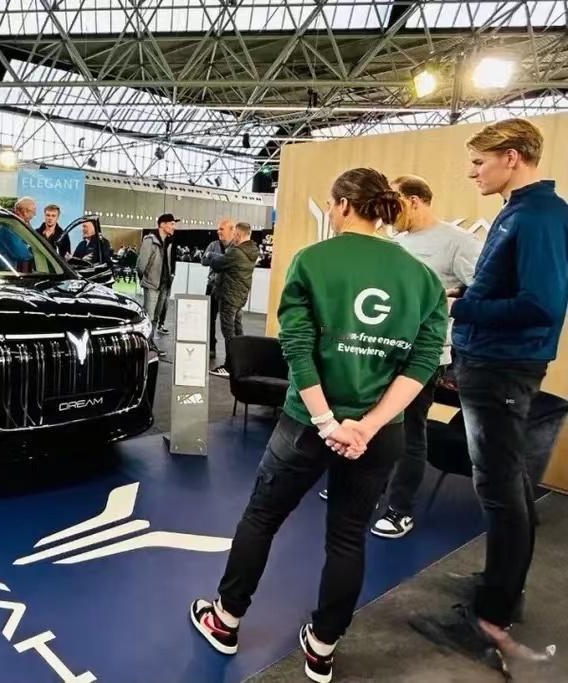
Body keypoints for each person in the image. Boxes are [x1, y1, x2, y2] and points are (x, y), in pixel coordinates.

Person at [190, 168, 446, 683]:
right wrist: (369, 426)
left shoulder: (313, 260)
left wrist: (328, 421)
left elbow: (298, 348)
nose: (330, 211)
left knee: (261, 518)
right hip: (378, 436)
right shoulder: (423, 279)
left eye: (332, 203)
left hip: (305, 425)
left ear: (345, 205)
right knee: (348, 538)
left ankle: (226, 620)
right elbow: (422, 365)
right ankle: (323, 648)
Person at [413, 119, 568, 664]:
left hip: (501, 367)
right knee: (509, 485)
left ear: (512, 156)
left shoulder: (537, 215)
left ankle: (491, 618)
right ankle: (500, 589)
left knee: (502, 491)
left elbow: (542, 304)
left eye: (479, 162)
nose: (472, 172)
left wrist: (464, 305)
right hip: (495, 363)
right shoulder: (525, 210)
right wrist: (472, 293)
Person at [369, 175, 481, 539]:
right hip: (384, 348)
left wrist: (448, 298)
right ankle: (369, 491)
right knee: (375, 423)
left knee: (410, 430)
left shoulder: (458, 242)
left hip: (424, 353)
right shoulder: (396, 241)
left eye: (395, 205)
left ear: (415, 200)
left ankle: (399, 510)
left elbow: (484, 294)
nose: (389, 215)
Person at [209, 222, 259, 378]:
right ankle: (242, 363)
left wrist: (210, 255)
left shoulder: (236, 252)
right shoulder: (252, 251)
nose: (234, 237)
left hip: (229, 297)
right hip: (240, 296)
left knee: (229, 333)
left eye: (236, 234)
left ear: (238, 234)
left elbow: (217, 264)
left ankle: (229, 366)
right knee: (238, 331)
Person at [136, 214, 176, 354]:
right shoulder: (150, 240)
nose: (174, 227)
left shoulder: (168, 242)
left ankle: (150, 343)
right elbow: (141, 265)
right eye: (171, 224)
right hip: (152, 285)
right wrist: (146, 280)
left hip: (164, 285)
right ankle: (144, 345)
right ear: (163, 225)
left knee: (156, 318)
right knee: (149, 317)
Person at [203, 219, 234, 359]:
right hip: (212, 287)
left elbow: (232, 262)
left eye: (221, 229)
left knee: (229, 323)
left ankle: (232, 355)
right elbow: (203, 261)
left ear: (231, 230)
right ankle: (211, 347)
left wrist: (213, 257)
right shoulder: (213, 244)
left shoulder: (235, 247)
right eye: (218, 229)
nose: (218, 231)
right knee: (209, 319)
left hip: (228, 289)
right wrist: (222, 259)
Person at [0, 196, 35, 271]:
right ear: (24, 211)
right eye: (33, 211)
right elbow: (22, 254)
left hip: (16, 269)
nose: (35, 214)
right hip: (9, 271)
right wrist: (35, 253)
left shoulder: (21, 224)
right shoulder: (10, 226)